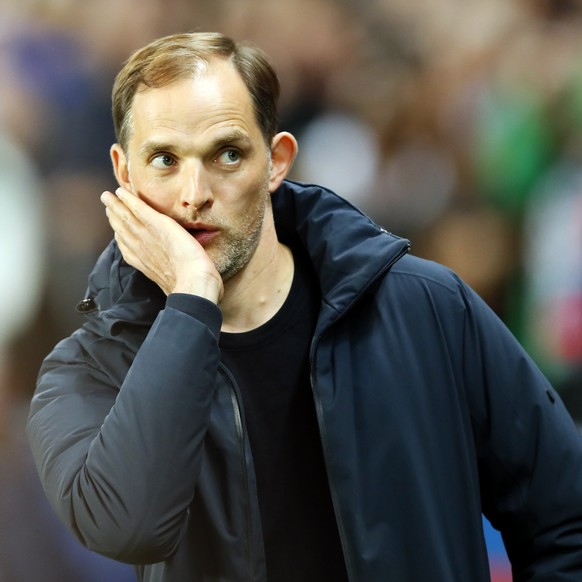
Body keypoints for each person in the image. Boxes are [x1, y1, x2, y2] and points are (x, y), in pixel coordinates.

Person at [26, 31, 582, 582]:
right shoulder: (88, 370)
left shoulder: (428, 310)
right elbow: (129, 528)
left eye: (226, 153)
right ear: (125, 174)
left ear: (276, 161)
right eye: (165, 160)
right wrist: (191, 299)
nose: (193, 193)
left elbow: (566, 521)